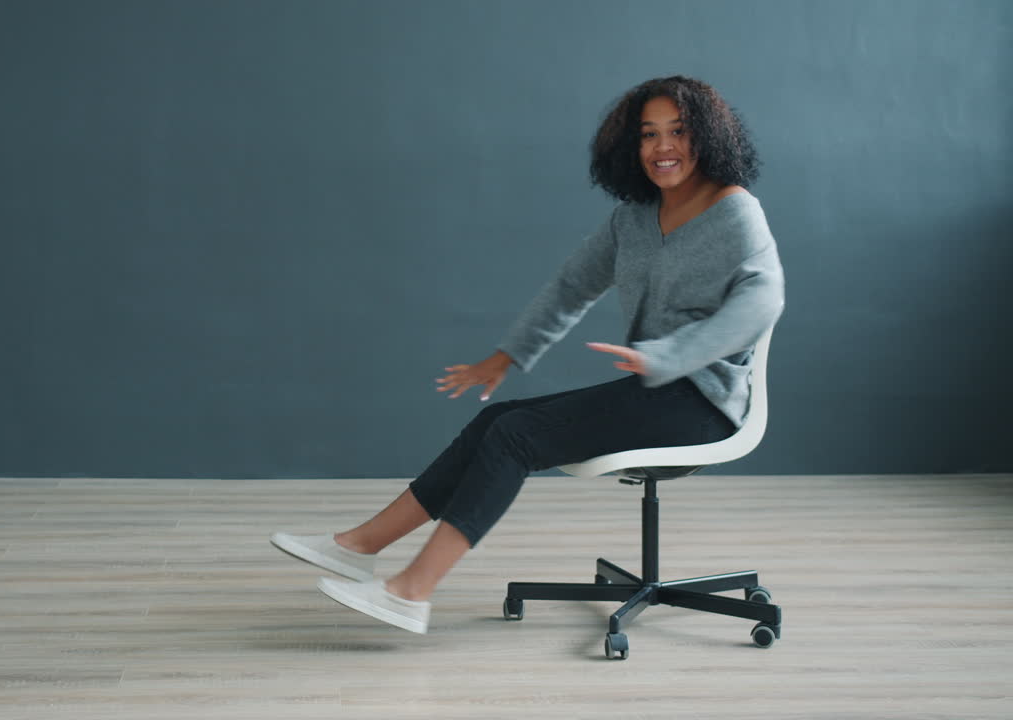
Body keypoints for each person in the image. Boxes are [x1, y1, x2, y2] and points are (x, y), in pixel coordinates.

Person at [271, 76, 785, 634]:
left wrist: (670, 356)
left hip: (702, 406)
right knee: (495, 420)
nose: (662, 147)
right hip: (651, 394)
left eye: (678, 131)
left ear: (706, 136)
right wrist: (507, 356)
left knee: (515, 436)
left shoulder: (734, 212)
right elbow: (570, 287)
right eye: (648, 134)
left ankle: (412, 591)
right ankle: (359, 546)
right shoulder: (633, 218)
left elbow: (763, 300)